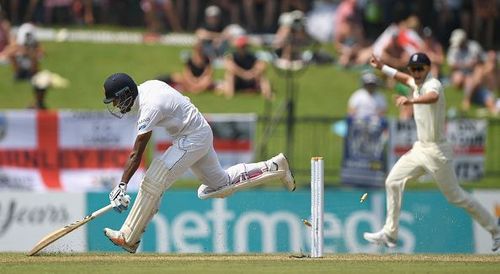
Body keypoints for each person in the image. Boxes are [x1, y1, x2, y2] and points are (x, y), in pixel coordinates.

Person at [101, 73, 295, 253]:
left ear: (126, 93)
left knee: (155, 178)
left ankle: (129, 236)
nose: (117, 105)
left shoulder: (150, 105)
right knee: (220, 185)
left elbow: (137, 153)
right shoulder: (148, 88)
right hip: (198, 132)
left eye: (117, 100)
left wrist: (121, 185)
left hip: (193, 137)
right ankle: (276, 167)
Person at [363, 52, 500, 252]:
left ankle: (495, 229)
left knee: (456, 197)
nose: (416, 73)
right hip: (420, 148)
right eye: (413, 69)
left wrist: (411, 102)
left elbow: (432, 97)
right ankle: (390, 234)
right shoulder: (415, 82)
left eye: (420, 69)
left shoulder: (433, 85)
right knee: (392, 181)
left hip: (437, 151)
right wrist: (382, 67)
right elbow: (403, 77)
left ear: (428, 69)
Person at [220, 35, 272, 100]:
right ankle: (229, 97)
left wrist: (251, 73)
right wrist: (243, 74)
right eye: (241, 47)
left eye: (244, 47)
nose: (242, 49)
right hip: (238, 80)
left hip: (251, 78)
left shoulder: (251, 56)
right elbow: (229, 66)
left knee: (262, 76)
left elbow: (262, 65)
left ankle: (267, 95)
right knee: (229, 75)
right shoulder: (233, 56)